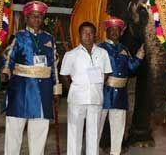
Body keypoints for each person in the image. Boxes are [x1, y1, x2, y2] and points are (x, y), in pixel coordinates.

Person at [1, 1, 62, 155]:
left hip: (43, 92)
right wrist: (5, 73)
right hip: (20, 92)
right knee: (14, 134)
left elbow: (54, 66)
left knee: (39, 134)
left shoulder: (49, 39)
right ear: (26, 18)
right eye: (34, 17)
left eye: (40, 17)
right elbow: (8, 58)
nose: (37, 20)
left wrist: (56, 89)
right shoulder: (19, 37)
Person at [60, 22, 113, 155]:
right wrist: (73, 89)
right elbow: (64, 75)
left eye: (90, 33)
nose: (88, 35)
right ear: (80, 35)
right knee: (74, 133)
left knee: (94, 134)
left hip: (96, 99)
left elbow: (107, 72)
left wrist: (98, 85)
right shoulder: (71, 54)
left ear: (95, 35)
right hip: (77, 100)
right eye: (85, 32)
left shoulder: (103, 53)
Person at [98, 17, 144, 155]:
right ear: (106, 32)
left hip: (120, 94)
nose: (114, 32)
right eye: (111, 30)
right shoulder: (100, 48)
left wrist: (139, 56)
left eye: (117, 30)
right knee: (96, 126)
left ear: (121, 32)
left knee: (118, 127)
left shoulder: (124, 49)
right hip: (103, 92)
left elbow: (130, 68)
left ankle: (115, 152)